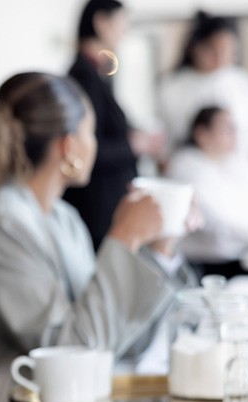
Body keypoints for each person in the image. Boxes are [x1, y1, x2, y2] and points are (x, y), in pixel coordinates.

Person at [0, 72, 196, 402]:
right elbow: (71, 351)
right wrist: (125, 238)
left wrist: (160, 248)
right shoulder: (2, 225)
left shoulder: (63, 219)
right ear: (68, 146)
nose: (94, 143)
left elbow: (111, 340)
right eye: (91, 132)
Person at [63, 0, 166, 250]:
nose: (125, 31)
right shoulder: (83, 76)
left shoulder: (99, 73)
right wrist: (133, 144)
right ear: (101, 22)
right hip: (96, 210)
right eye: (122, 23)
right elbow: (90, 147)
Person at [168, 106, 248, 278]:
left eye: (234, 129)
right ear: (202, 134)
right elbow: (217, 221)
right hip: (204, 265)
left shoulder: (235, 163)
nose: (233, 135)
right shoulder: (186, 166)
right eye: (226, 129)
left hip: (238, 258)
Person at [158, 11, 248, 160]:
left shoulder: (241, 82)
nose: (221, 58)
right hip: (192, 169)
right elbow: (165, 143)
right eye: (214, 50)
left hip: (237, 171)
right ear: (195, 48)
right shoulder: (173, 88)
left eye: (227, 50)